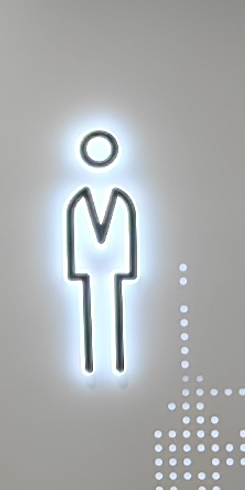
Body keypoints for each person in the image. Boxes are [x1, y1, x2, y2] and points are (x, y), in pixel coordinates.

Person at [65, 131, 137, 374]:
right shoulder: (80, 201)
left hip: (112, 267)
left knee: (113, 309)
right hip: (90, 267)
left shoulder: (120, 199)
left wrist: (129, 269)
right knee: (93, 308)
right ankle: (97, 363)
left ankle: (114, 362)